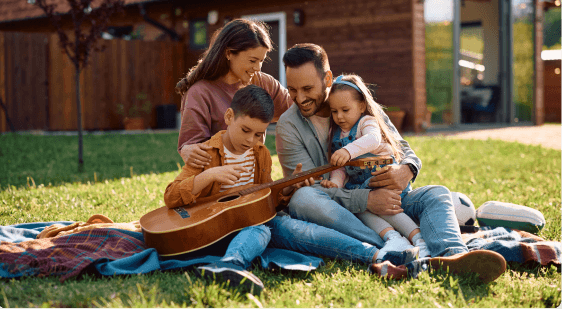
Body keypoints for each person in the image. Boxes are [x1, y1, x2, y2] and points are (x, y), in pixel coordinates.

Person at [275, 43, 507, 282]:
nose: (299, 98)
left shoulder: (355, 97)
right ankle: (395, 244)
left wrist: (406, 169)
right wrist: (367, 200)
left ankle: (453, 256)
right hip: (344, 210)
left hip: (390, 197)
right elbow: (312, 188)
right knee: (304, 199)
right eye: (292, 89)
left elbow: (401, 146)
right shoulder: (289, 125)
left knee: (437, 194)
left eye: (307, 88)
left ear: (327, 78)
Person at [165, 85, 419, 293]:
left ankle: (380, 257)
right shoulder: (207, 153)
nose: (250, 140)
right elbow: (172, 196)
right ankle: (231, 264)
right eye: (245, 130)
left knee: (309, 233)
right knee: (260, 231)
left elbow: (264, 200)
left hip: (258, 219)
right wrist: (209, 175)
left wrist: (288, 189)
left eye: (259, 135)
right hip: (223, 227)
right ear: (229, 117)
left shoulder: (259, 155)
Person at [320, 73, 431, 260]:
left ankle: (419, 238)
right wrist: (335, 183)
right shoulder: (336, 133)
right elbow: (340, 166)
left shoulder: (366, 122)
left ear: (361, 105)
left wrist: (348, 151)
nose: (339, 116)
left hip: (383, 178)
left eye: (345, 110)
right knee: (360, 208)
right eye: (334, 111)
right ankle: (393, 237)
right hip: (361, 186)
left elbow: (373, 139)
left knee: (388, 209)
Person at [175, 18, 292, 169]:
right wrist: (187, 149)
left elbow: (296, 110)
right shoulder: (199, 93)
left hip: (253, 177)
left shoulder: (263, 82)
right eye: (252, 60)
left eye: (261, 61)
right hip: (217, 179)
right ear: (229, 53)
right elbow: (195, 151)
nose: (257, 68)